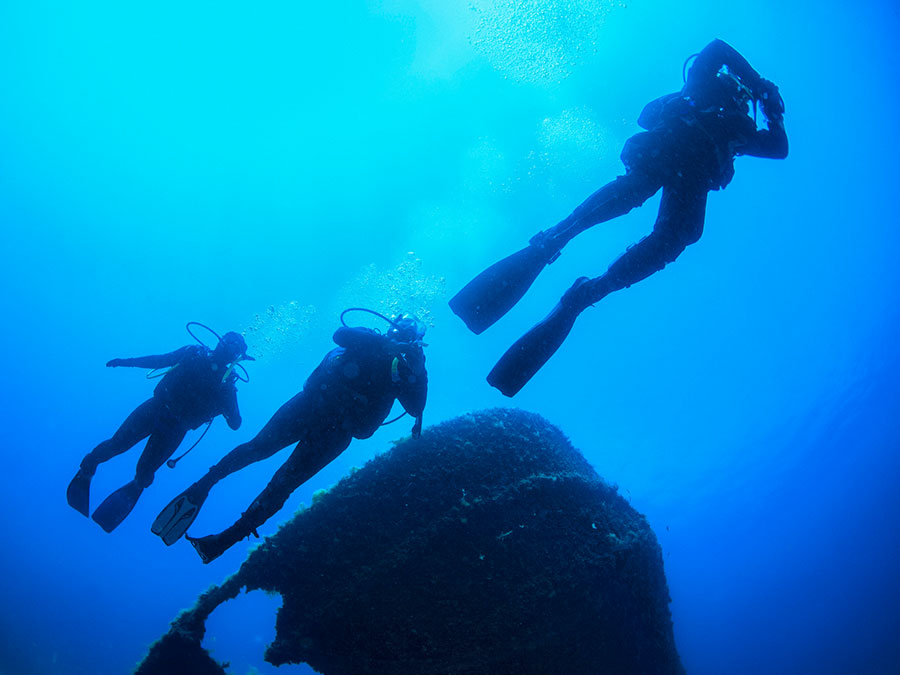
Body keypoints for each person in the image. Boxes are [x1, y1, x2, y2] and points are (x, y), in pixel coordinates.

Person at [449, 39, 788, 396]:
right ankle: (554, 240)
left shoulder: (741, 131)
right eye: (736, 87)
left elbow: (779, 149)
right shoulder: (703, 86)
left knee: (680, 236)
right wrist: (760, 83)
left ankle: (590, 290)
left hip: (689, 178)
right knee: (633, 190)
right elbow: (716, 48)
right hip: (663, 155)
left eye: (741, 95)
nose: (737, 95)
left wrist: (774, 112)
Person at [152, 312, 428, 563]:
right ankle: (204, 485)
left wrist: (420, 371)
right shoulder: (369, 337)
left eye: (408, 334)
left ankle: (227, 539)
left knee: (283, 483)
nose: (400, 334)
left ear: (415, 341)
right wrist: (383, 344)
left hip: (338, 432)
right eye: (399, 327)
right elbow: (339, 336)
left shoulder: (403, 370)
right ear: (391, 326)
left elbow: (415, 409)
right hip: (310, 404)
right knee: (257, 448)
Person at [66, 329, 252, 532]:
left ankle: (131, 486)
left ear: (237, 358)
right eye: (228, 342)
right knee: (117, 445)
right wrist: (126, 361)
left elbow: (235, 423)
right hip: (156, 409)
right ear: (220, 340)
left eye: (234, 348)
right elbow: (159, 360)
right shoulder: (193, 353)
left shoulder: (227, 384)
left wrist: (227, 399)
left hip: (175, 428)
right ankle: (88, 468)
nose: (227, 347)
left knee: (144, 472)